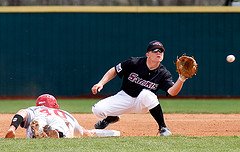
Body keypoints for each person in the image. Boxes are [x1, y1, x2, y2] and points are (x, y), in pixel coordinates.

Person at [91, 40, 187, 136]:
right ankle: (111, 118)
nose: (159, 53)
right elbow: (115, 70)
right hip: (125, 97)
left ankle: (163, 127)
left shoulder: (164, 73)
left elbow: (172, 92)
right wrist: (101, 83)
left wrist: (181, 79)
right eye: (155, 50)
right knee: (97, 109)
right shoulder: (134, 62)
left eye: (161, 51)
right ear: (148, 54)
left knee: (147, 94)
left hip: (142, 103)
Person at [5, 94, 120, 138]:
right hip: (64, 123)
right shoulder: (66, 114)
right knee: (65, 129)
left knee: (38, 121)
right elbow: (86, 133)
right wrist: (114, 133)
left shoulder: (36, 109)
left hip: (39, 117)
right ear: (55, 105)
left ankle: (39, 130)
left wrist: (12, 128)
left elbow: (21, 113)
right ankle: (57, 133)